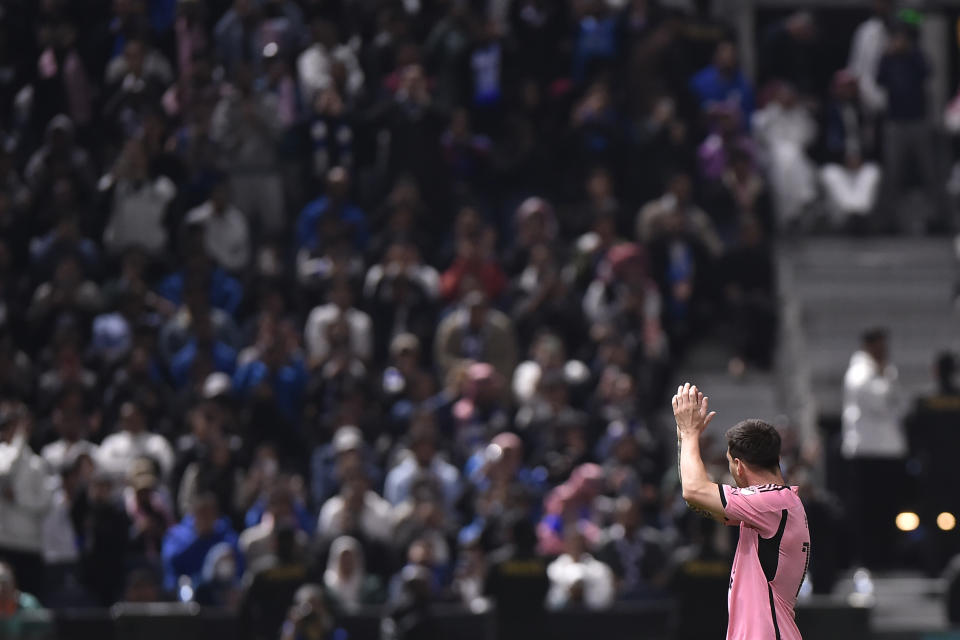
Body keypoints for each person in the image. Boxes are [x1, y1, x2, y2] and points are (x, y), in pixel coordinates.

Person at [673, 383, 810, 640]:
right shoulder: (776, 506)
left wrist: (689, 433)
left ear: (739, 466)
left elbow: (694, 491)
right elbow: (698, 501)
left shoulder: (771, 502)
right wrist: (684, 440)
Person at [842, 328, 905, 569]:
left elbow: (899, 403)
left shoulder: (886, 371)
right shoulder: (859, 372)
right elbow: (880, 403)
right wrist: (886, 379)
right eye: (880, 345)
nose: (884, 350)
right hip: (867, 452)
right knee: (868, 510)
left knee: (887, 508)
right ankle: (868, 559)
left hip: (887, 451)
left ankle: (886, 557)